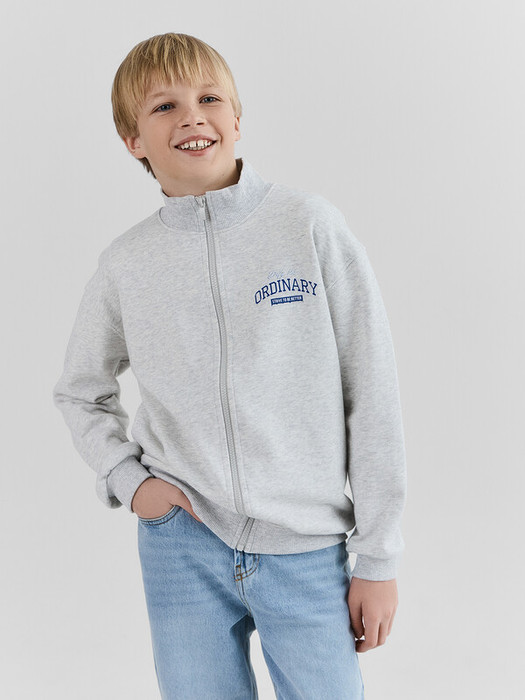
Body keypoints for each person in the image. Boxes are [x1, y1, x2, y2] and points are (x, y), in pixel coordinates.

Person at [52, 32, 407, 699]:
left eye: (209, 98)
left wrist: (378, 557)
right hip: (181, 544)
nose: (192, 116)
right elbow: (80, 390)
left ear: (237, 120)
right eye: (164, 106)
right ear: (132, 140)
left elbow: (372, 391)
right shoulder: (126, 263)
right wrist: (131, 482)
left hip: (306, 547)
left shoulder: (308, 226)